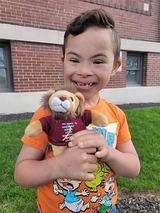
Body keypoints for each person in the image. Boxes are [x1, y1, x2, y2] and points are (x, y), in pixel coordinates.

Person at [14, 8, 140, 213]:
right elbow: (21, 173)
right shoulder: (49, 114)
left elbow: (133, 167)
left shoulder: (116, 115)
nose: (84, 71)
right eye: (74, 60)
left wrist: (109, 153)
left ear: (115, 66)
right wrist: (58, 165)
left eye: (98, 61)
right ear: (63, 60)